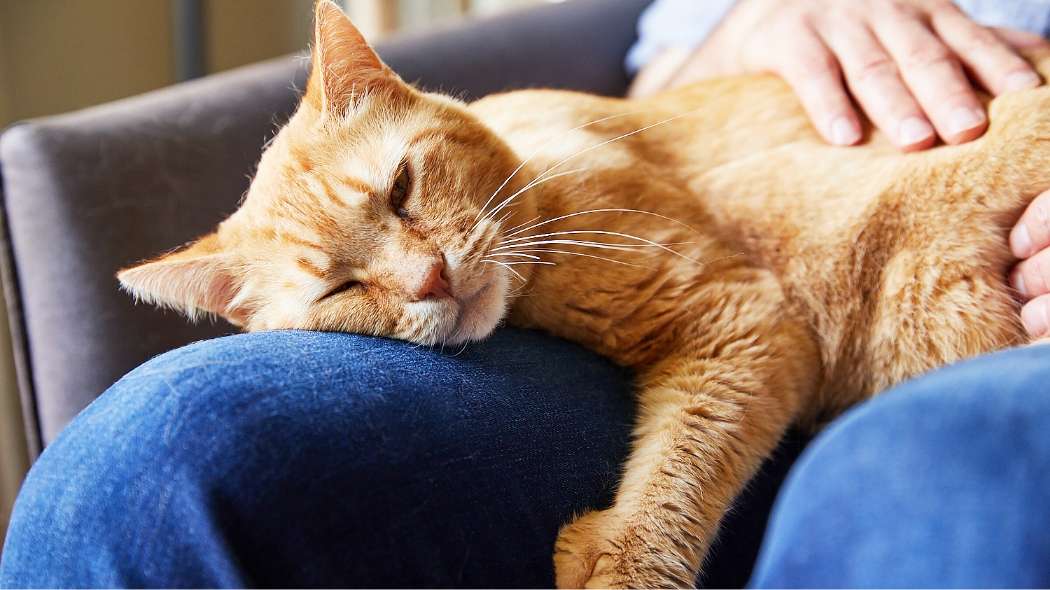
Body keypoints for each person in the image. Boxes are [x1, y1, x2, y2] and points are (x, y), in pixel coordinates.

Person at [2, 1, 1050, 587]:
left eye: (407, 192)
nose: (423, 274)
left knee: (926, 479)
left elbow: (741, 328)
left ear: (388, 92)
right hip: (685, 261)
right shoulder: (476, 237)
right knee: (147, 456)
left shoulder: (537, 192)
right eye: (342, 286)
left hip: (970, 263)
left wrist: (643, 546)